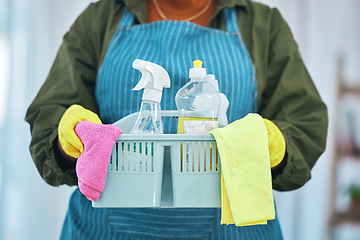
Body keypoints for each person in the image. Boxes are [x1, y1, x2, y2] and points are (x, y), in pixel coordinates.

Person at [25, 0, 328, 239]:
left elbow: (304, 124)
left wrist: (274, 147)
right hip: (101, 230)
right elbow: (50, 118)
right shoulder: (100, 19)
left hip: (236, 231)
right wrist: (69, 137)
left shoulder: (262, 26)